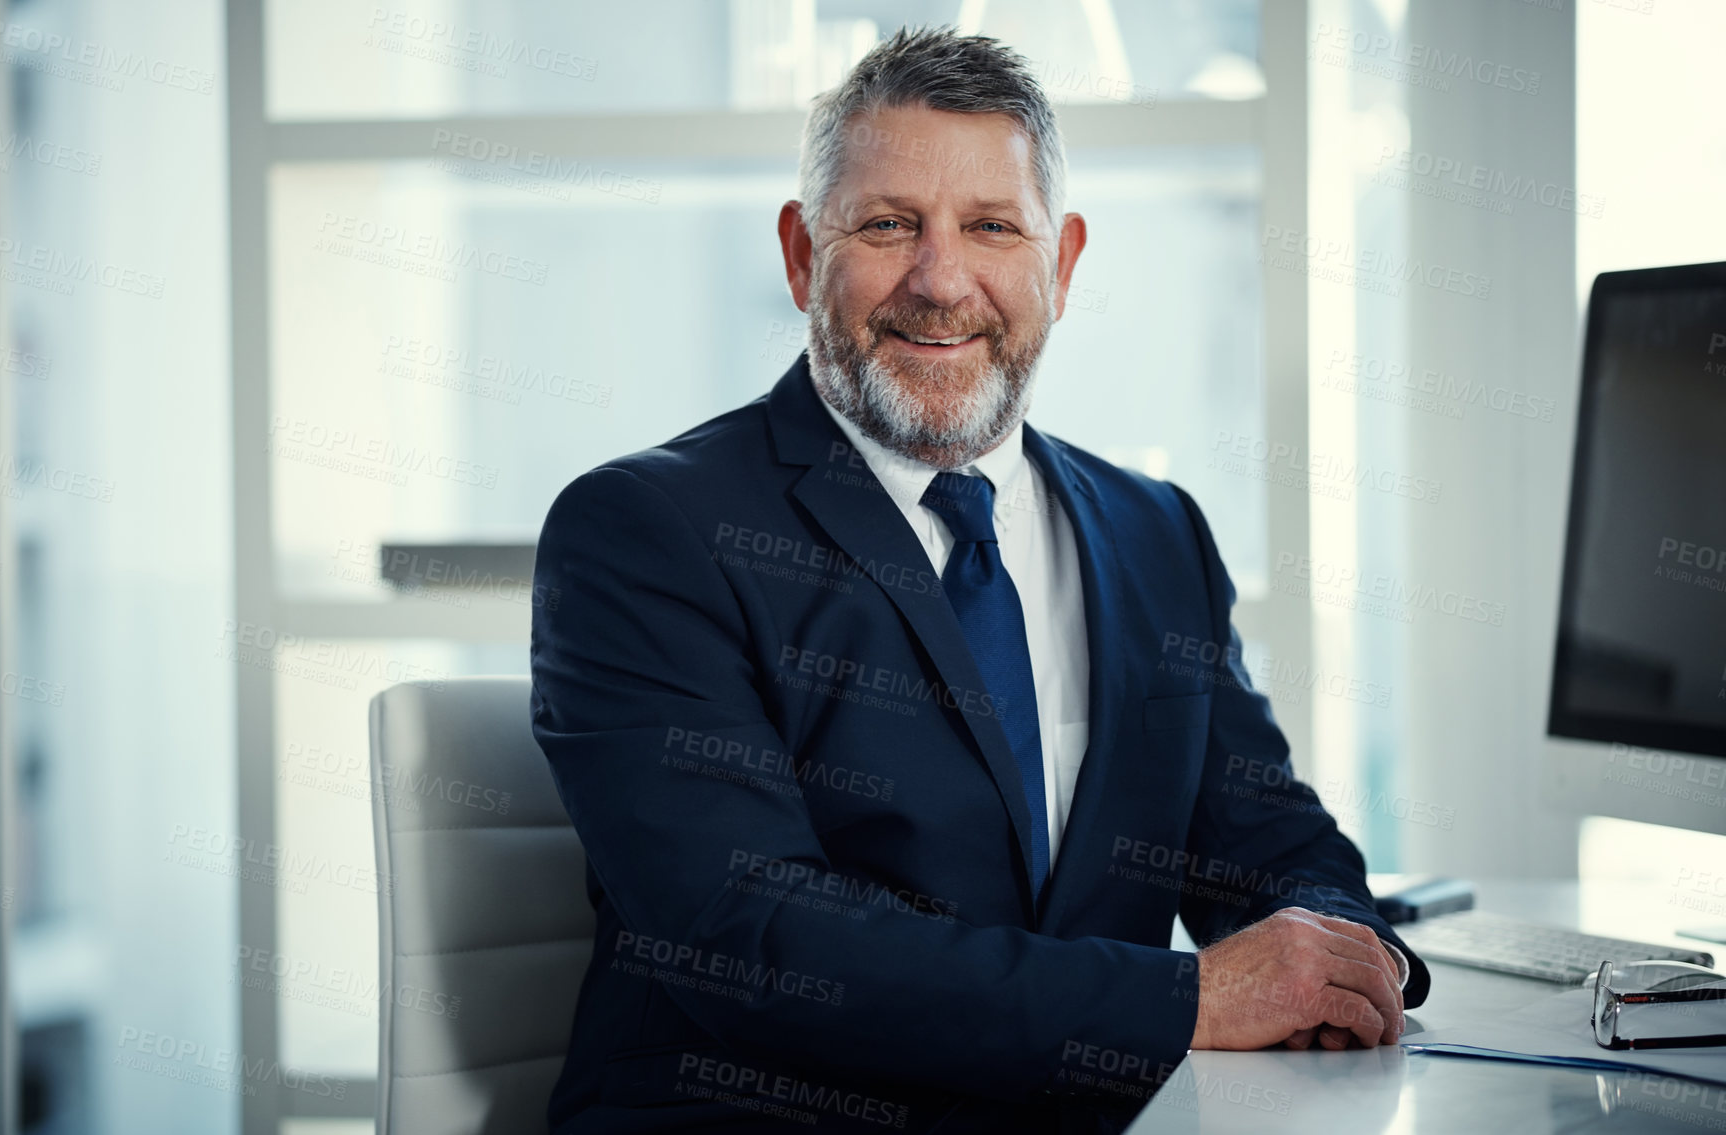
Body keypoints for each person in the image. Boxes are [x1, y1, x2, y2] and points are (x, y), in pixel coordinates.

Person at [531, 26, 1427, 1134]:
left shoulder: (1156, 537)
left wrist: (1339, 960)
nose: (939, 280)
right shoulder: (644, 530)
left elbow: (1275, 847)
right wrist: (1188, 996)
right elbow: (752, 943)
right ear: (804, 255)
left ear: (1061, 265)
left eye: (991, 227)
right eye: (887, 224)